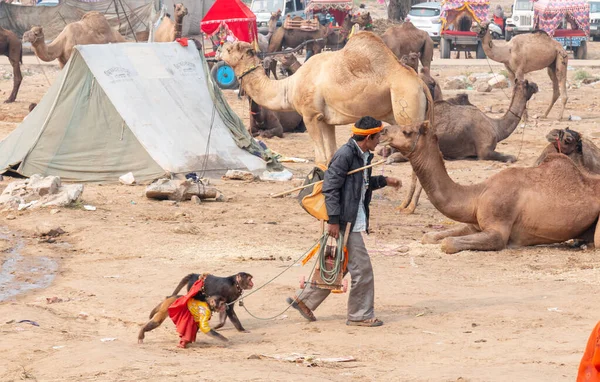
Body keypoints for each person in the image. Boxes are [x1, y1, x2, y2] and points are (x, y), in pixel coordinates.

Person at [287, 116, 402, 327]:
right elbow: (330, 188)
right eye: (378, 137)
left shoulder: (363, 155)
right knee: (363, 270)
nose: (379, 141)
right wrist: (333, 220)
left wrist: (384, 181)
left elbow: (360, 185)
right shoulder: (345, 155)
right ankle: (360, 315)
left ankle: (304, 300)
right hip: (344, 221)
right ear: (368, 138)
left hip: (352, 218)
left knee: (339, 264)